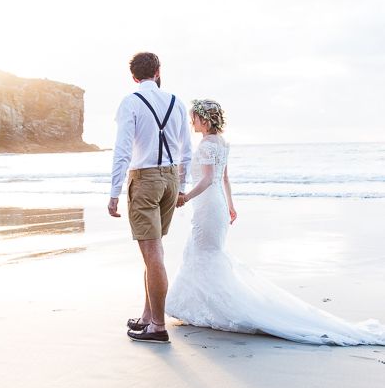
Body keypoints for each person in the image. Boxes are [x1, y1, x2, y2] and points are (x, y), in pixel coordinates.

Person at [167, 99, 385, 346]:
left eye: (194, 117)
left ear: (204, 120)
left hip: (208, 207)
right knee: (206, 254)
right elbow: (224, 179)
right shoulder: (223, 143)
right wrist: (230, 204)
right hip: (215, 205)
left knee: (205, 254)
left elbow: (207, 180)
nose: (191, 121)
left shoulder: (207, 144)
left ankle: (218, 308)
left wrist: (185, 197)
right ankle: (203, 307)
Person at [108, 52, 192, 344]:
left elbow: (121, 152)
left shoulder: (131, 102)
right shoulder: (176, 102)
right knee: (154, 251)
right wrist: (181, 186)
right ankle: (147, 316)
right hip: (169, 178)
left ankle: (157, 326)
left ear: (134, 77)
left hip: (144, 179)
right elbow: (186, 149)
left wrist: (114, 192)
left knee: (152, 254)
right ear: (158, 72)